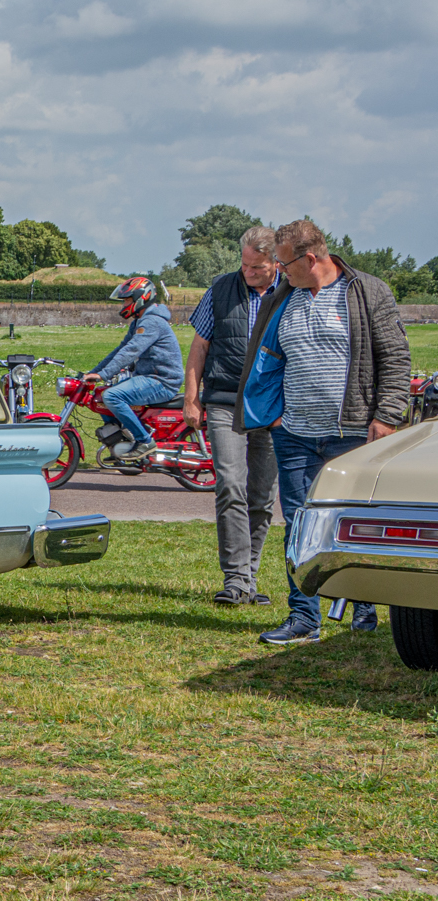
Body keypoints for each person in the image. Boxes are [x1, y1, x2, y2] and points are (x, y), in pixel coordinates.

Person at [244, 219, 412, 647]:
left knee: (357, 524)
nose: (280, 271)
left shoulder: (367, 291)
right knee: (299, 525)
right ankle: (304, 618)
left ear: (310, 259)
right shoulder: (285, 296)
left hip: (355, 435)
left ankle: (364, 608)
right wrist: (275, 416)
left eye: (285, 264)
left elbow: (395, 358)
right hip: (294, 434)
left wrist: (386, 416)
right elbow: (265, 356)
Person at [182, 228, 280, 605]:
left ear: (276, 264)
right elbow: (199, 347)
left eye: (257, 267)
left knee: (263, 496)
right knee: (230, 484)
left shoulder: (292, 293)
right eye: (244, 265)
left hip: (271, 407)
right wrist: (192, 398)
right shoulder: (220, 289)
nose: (248, 272)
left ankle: (249, 577)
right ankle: (236, 579)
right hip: (225, 401)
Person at [81, 277, 183, 464]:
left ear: (141, 298)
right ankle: (121, 444)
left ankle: (144, 442)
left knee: (112, 396)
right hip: (149, 377)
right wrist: (93, 373)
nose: (124, 305)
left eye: (127, 300)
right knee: (101, 395)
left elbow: (131, 351)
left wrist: (103, 374)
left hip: (162, 381)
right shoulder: (139, 321)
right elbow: (120, 350)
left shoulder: (152, 322)